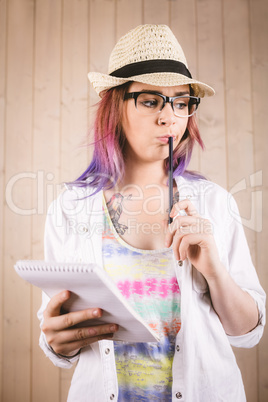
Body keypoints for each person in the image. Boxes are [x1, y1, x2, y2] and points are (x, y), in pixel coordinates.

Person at [38, 24, 266, 401]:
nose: (170, 118)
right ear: (116, 105)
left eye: (180, 101)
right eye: (150, 100)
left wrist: (213, 270)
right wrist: (58, 342)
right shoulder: (69, 207)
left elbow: (247, 333)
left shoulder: (215, 203)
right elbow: (57, 336)